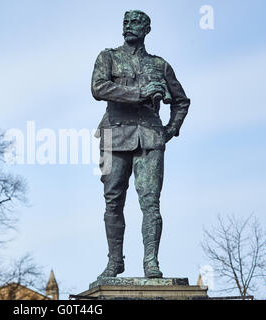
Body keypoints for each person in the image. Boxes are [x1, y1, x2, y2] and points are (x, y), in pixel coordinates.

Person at [91, 10, 190, 278]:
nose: (128, 26)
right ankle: (114, 261)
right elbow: (98, 88)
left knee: (151, 203)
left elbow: (181, 101)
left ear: (146, 29)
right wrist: (138, 94)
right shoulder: (108, 57)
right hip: (113, 136)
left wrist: (170, 129)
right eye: (125, 22)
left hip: (149, 137)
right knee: (113, 202)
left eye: (135, 23)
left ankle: (151, 261)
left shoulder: (160, 65)